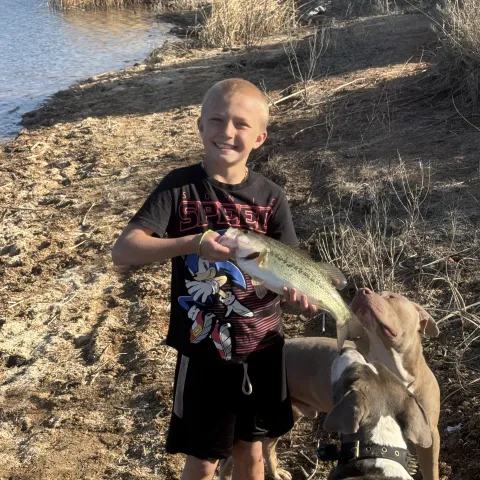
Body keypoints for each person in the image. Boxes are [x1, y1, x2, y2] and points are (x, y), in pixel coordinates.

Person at [112, 78, 317, 480]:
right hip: (204, 350)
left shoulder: (272, 196)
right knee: (203, 461)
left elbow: (291, 268)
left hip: (263, 348)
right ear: (200, 126)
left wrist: (298, 299)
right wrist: (192, 243)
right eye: (218, 120)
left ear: (259, 138)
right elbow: (125, 250)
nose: (227, 131)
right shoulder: (179, 187)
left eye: (241, 124)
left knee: (252, 454)